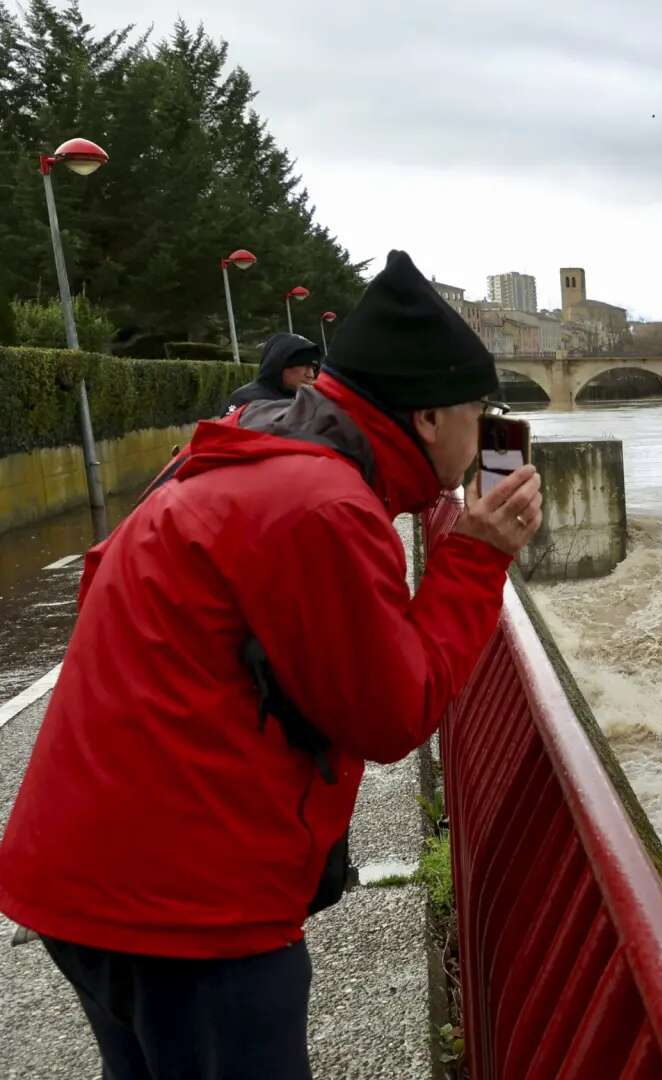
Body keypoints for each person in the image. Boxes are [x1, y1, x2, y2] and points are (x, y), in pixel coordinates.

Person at [0, 250, 542, 1080]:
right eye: (479, 412)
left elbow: (103, 581)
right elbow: (393, 715)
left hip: (86, 878)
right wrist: (475, 558)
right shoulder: (318, 507)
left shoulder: (239, 455)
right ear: (430, 417)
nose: (482, 440)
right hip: (187, 912)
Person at [224, 331, 324, 415]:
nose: (310, 375)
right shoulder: (245, 400)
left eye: (314, 368)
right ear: (280, 364)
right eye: (304, 366)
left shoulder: (312, 402)